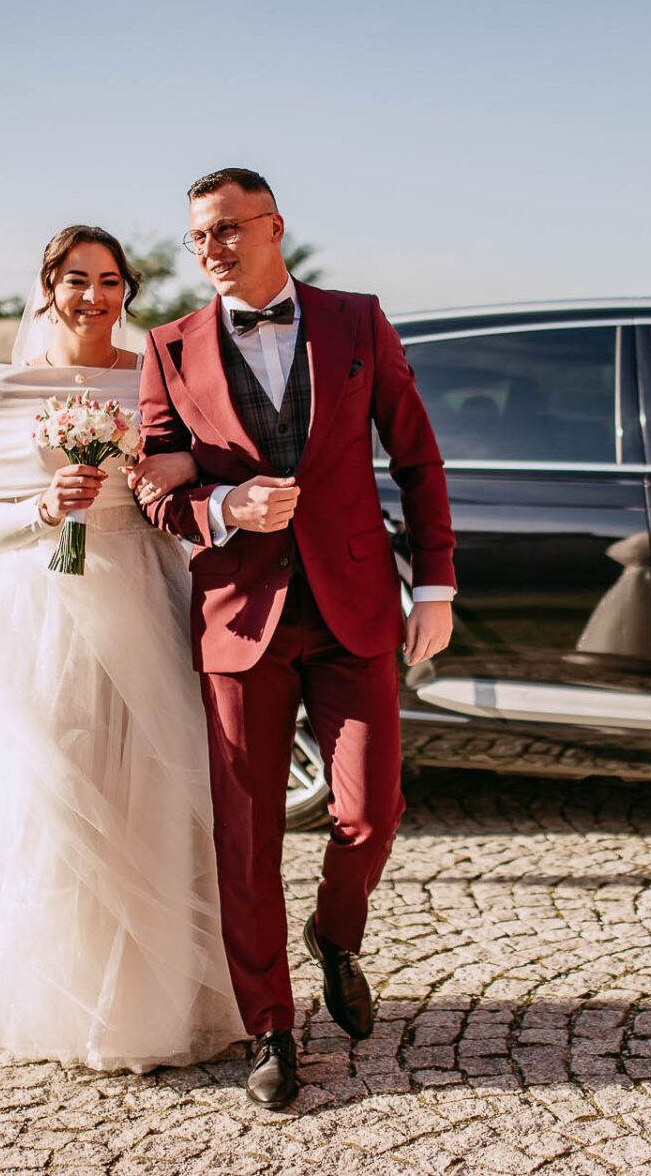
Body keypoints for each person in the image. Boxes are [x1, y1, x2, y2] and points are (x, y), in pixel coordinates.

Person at [0, 226, 247, 1074]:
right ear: (48, 286)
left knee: (152, 787)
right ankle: (58, 999)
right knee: (57, 792)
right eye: (77, 279)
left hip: (145, 590)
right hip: (43, 606)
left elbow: (185, 477)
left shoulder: (154, 372)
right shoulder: (7, 387)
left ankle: (154, 1003)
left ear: (128, 290)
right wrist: (46, 507)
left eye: (110, 280)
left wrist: (167, 484)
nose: (94, 296)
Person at [134, 168, 456, 1109]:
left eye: (228, 228)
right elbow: (156, 486)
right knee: (247, 836)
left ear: (274, 226)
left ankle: (335, 935)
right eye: (199, 236)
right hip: (240, 618)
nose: (212, 249)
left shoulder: (357, 321)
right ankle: (270, 1027)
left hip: (354, 605)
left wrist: (435, 583)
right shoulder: (169, 348)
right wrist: (223, 507)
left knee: (371, 811)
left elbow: (417, 455)